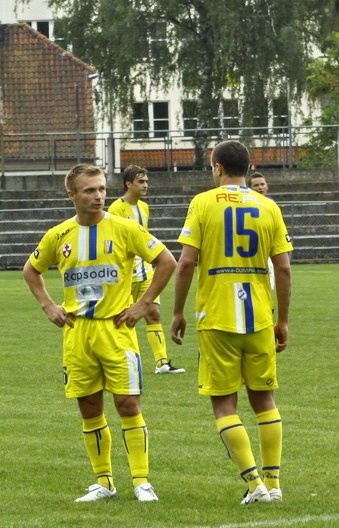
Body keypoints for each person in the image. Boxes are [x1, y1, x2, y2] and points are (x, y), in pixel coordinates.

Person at [23, 164, 176, 503]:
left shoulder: (124, 228)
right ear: (72, 195)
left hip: (116, 329)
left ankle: (141, 481)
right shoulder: (59, 235)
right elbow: (31, 270)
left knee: (127, 403)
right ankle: (104, 482)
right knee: (89, 406)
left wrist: (143, 304)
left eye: (102, 189)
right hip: (77, 332)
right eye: (90, 190)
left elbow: (167, 261)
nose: (98, 196)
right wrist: (49, 306)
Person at [170, 140, 292, 506]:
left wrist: (177, 311)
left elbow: (187, 261)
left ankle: (254, 484)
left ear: (218, 167)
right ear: (247, 167)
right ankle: (274, 482)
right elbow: (283, 268)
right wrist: (282, 319)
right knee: (264, 399)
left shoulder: (203, 203)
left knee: (224, 404)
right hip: (259, 314)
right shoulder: (269, 206)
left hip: (217, 316)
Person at [107, 165, 185, 374]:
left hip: (146, 270)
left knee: (153, 313)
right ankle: (116, 361)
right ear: (128, 184)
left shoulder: (144, 207)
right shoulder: (116, 209)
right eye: (141, 181)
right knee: (120, 316)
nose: (145, 185)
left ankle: (162, 363)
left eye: (147, 181)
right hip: (126, 273)